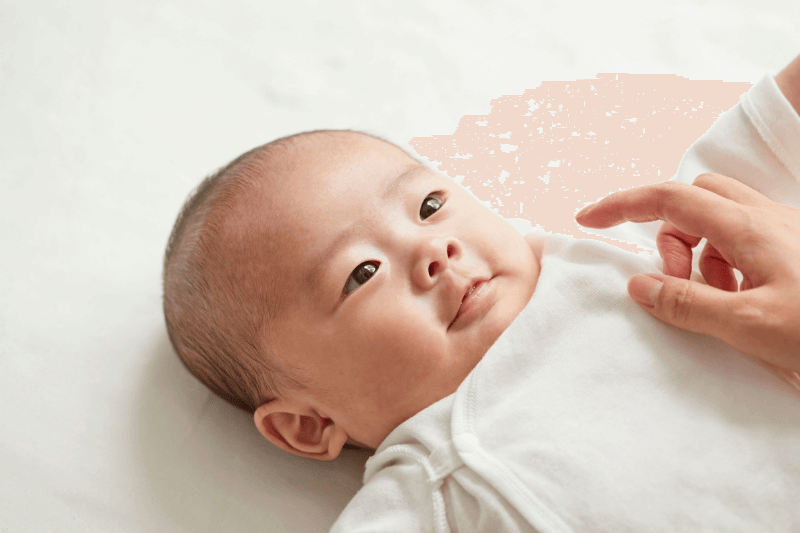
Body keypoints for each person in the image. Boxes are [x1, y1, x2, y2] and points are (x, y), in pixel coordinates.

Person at [162, 58, 800, 532]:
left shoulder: (642, 257)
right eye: (360, 272)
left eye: (429, 205)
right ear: (309, 424)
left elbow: (753, 157)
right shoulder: (432, 486)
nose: (431, 250)